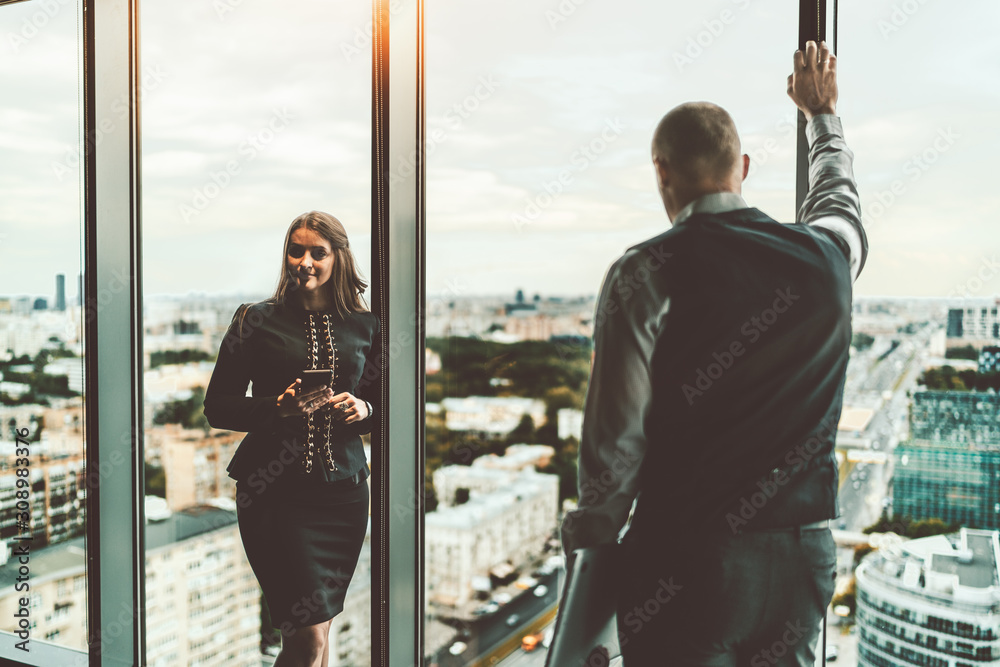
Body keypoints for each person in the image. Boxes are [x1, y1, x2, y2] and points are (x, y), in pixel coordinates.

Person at [560, 41, 866, 666]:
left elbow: (615, 447)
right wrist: (822, 117)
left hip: (687, 559)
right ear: (744, 167)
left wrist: (590, 553)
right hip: (799, 557)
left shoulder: (644, 271)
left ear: (661, 173)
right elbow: (840, 202)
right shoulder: (829, 260)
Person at [203, 210, 380, 667]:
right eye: (295, 249)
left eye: (317, 252)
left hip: (343, 497)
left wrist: (364, 410)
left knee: (317, 636)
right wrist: (276, 408)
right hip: (273, 494)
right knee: (304, 641)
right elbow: (217, 406)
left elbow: (381, 407)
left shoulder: (366, 326)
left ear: (338, 258)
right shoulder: (254, 320)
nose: (304, 261)